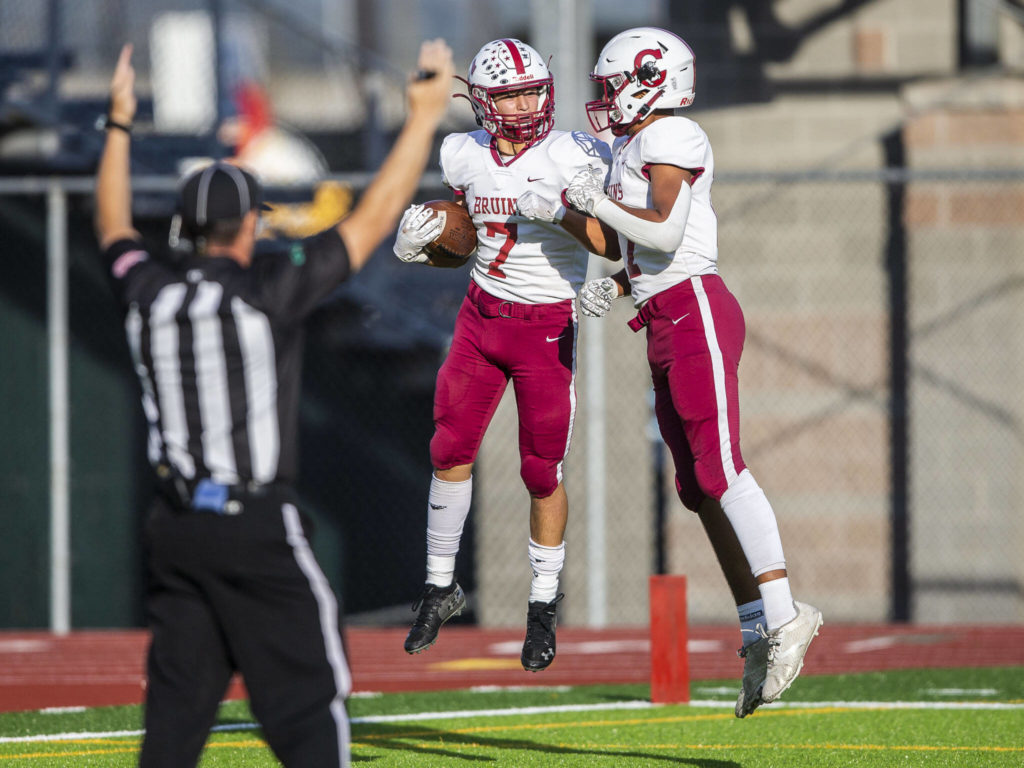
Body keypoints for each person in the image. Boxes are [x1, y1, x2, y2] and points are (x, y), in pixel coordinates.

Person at [94, 40, 454, 767]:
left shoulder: (149, 296)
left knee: (175, 715)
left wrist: (119, 126)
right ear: (250, 225)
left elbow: (112, 230)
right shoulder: (268, 292)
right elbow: (373, 219)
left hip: (175, 530)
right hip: (255, 524)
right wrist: (423, 119)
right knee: (310, 700)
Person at [517, 27, 822, 717]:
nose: (605, 98)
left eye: (612, 83)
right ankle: (756, 627)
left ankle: (786, 613)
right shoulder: (633, 145)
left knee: (721, 469)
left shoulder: (672, 136)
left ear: (651, 78)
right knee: (694, 486)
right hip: (662, 314)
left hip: (697, 310)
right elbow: (624, 246)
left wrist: (590, 202)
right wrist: (567, 218)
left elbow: (662, 232)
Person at [391, 38, 613, 672]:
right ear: (484, 103)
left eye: (530, 92)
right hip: (481, 316)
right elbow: (466, 234)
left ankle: (542, 606)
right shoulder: (463, 154)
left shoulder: (572, 154)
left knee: (540, 470)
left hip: (546, 325)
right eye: (509, 95)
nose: (522, 105)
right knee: (448, 447)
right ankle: (439, 587)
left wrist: (562, 211)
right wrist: (426, 242)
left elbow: (608, 242)